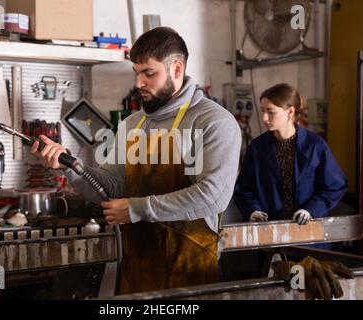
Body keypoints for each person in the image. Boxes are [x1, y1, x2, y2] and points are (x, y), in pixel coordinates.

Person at [31, 27, 241, 294]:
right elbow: (112, 187)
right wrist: (68, 166)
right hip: (137, 271)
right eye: (137, 73)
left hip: (190, 273)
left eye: (148, 73)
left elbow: (212, 196)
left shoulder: (212, 122)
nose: (139, 83)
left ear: (176, 69)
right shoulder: (133, 124)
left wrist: (136, 209)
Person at [233, 83, 347, 225]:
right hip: (268, 235)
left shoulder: (314, 146)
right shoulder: (257, 148)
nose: (264, 118)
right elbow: (243, 190)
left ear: (290, 112)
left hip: (308, 234)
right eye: (263, 111)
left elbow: (335, 186)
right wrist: (252, 210)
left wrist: (311, 210)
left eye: (270, 112)